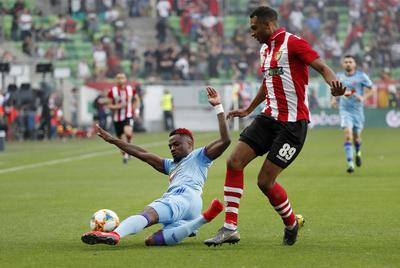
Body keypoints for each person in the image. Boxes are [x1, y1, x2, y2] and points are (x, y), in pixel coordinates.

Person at [204, 6, 346, 247]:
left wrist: (334, 84)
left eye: (254, 27)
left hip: (293, 125)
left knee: (264, 182)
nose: (251, 32)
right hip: (268, 118)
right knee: (234, 162)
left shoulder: (293, 43)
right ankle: (230, 228)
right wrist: (249, 109)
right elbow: (267, 81)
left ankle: (291, 222)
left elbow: (322, 66)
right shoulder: (264, 50)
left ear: (268, 25)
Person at [81, 87, 230, 246]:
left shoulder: (199, 156)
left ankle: (115, 235)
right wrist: (114, 140)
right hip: (193, 206)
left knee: (148, 214)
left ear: (190, 143)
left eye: (176, 144)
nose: (172, 148)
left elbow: (225, 140)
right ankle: (200, 220)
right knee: (151, 241)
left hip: (181, 196)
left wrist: (218, 107)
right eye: (170, 146)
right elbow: (142, 154)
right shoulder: (171, 165)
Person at [331, 55, 373, 173]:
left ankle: (358, 153)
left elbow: (371, 88)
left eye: (350, 62)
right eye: (346, 62)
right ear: (343, 64)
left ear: (354, 64)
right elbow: (335, 90)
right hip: (344, 110)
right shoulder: (339, 76)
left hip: (357, 111)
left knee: (357, 138)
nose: (348, 64)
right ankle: (350, 164)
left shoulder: (361, 76)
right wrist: (334, 99)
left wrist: (364, 97)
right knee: (348, 135)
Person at [106, 73, 138, 164]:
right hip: (117, 118)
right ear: (116, 80)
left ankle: (130, 145)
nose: (120, 80)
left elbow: (136, 100)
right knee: (120, 140)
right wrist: (118, 106)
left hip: (128, 115)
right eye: (119, 78)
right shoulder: (112, 91)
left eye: (122, 78)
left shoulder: (130, 89)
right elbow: (109, 105)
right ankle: (125, 156)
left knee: (128, 132)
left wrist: (135, 110)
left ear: (125, 79)